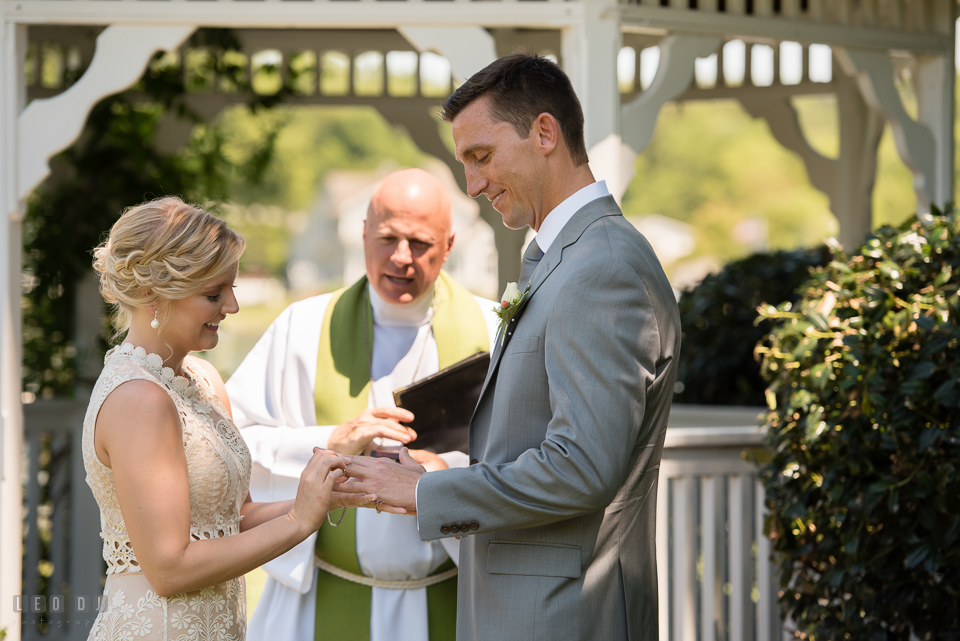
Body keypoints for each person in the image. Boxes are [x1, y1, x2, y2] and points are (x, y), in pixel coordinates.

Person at [339, 54, 682, 641]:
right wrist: (439, 466)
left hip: (560, 615)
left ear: (545, 133)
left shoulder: (602, 270)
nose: (472, 186)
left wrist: (427, 492)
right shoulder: (564, 259)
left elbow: (582, 467)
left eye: (481, 157)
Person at [225, 168, 499, 641]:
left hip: (452, 596)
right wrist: (329, 441)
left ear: (449, 244)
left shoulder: (493, 329)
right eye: (388, 237)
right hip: (325, 598)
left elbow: (528, 458)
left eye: (420, 243)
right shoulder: (302, 327)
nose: (401, 258)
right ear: (363, 233)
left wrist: (442, 471)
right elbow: (231, 445)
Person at [83, 197, 374, 641]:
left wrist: (322, 496)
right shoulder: (138, 399)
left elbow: (231, 518)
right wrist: (298, 521)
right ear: (151, 295)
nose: (233, 306)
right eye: (214, 293)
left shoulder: (202, 379)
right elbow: (169, 569)